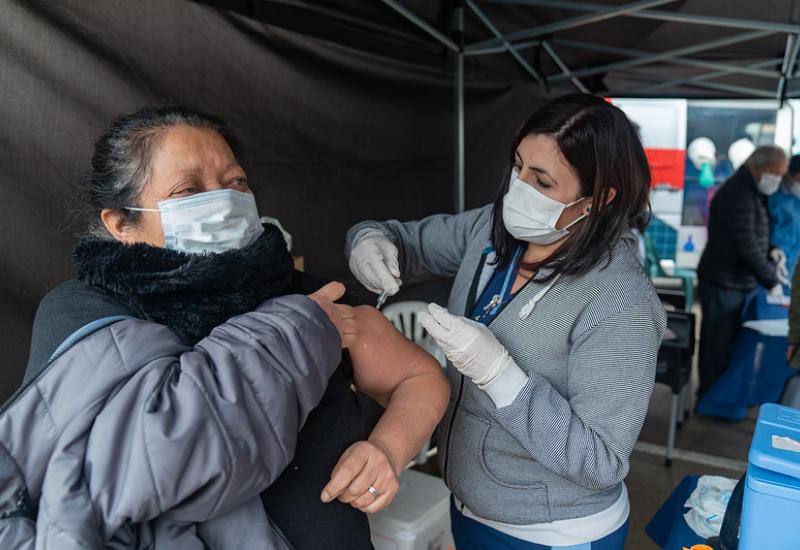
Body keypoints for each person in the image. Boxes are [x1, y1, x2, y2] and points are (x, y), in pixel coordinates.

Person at [0, 104, 450, 549]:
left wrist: (388, 449)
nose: (223, 199)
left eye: (236, 182)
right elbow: (148, 462)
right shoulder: (84, 310)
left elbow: (420, 376)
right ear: (122, 223)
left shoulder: (308, 295)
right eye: (188, 190)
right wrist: (296, 331)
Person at [345, 93, 666, 550]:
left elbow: (601, 461)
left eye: (542, 181)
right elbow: (406, 240)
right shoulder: (492, 230)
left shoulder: (620, 299)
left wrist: (501, 376)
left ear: (599, 198)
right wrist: (369, 239)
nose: (518, 189)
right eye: (517, 167)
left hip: (552, 533)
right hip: (470, 505)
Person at [696, 146, 788, 398]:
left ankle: (720, 396)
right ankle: (711, 398)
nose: (778, 181)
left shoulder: (751, 190)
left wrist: (771, 250)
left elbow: (753, 235)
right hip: (724, 282)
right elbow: (744, 244)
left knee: (728, 344)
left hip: (735, 281)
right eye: (776, 174)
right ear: (761, 169)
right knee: (717, 345)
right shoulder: (738, 193)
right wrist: (770, 279)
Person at [768, 154, 800, 285]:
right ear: (788, 175)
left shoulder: (797, 197)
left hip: (795, 257)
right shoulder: (772, 197)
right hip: (774, 257)